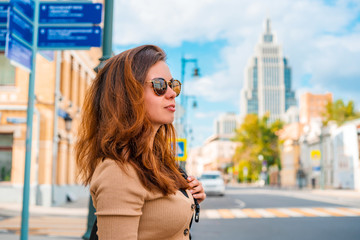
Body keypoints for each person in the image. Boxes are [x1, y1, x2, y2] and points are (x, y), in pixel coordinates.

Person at [75, 45, 206, 240]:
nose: (171, 93)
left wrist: (187, 197)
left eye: (173, 85)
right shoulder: (118, 171)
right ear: (128, 95)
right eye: (160, 85)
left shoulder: (156, 160)